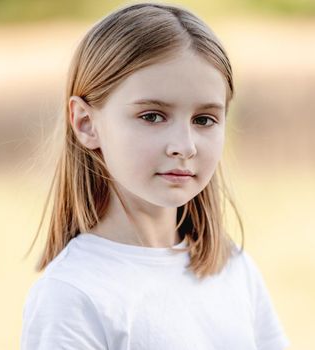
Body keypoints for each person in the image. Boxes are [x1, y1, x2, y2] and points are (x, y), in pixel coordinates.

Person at [20, 2, 290, 349]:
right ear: (86, 124)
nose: (185, 146)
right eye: (152, 116)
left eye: (204, 120)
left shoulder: (232, 268)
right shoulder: (73, 294)